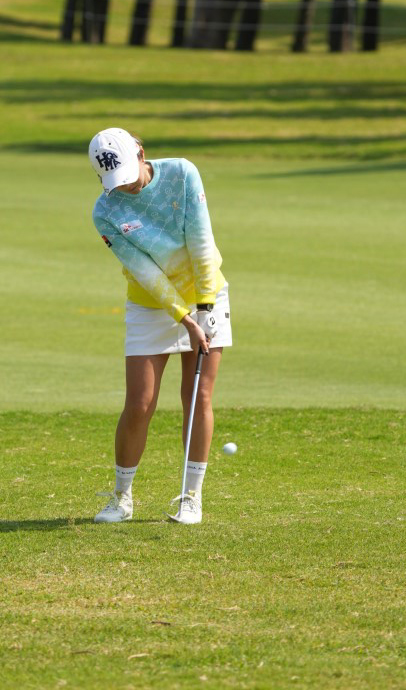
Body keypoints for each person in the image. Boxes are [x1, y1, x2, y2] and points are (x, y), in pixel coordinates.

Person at [89, 127, 232, 525]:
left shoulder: (182, 173)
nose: (125, 187)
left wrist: (204, 307)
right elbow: (145, 272)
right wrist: (184, 318)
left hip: (206, 292)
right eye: (114, 180)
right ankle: (121, 498)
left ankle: (191, 498)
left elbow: (201, 242)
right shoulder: (105, 212)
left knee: (198, 396)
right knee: (139, 403)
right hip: (151, 305)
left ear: (141, 153)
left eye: (128, 175)